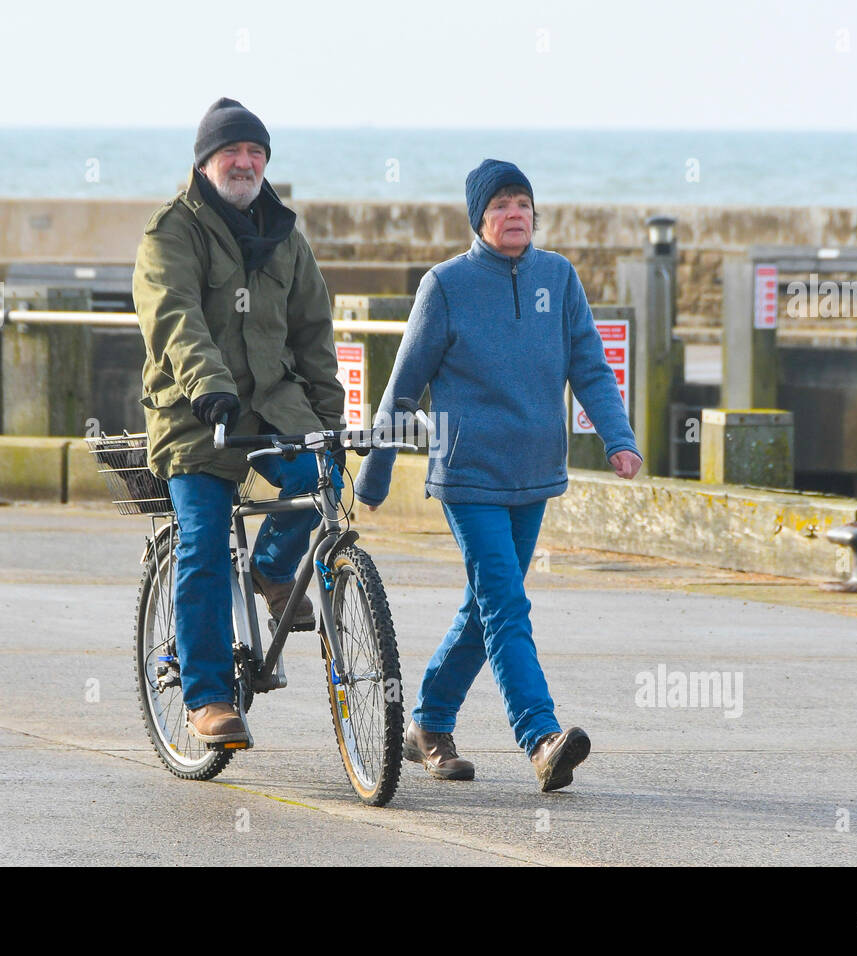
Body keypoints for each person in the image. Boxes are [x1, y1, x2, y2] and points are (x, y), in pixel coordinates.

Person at [354, 159, 643, 792]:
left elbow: (590, 367)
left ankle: (428, 722)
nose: (515, 214)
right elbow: (403, 388)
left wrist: (619, 439)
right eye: (501, 205)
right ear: (479, 219)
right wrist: (373, 477)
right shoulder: (446, 286)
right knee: (507, 603)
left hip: (534, 474)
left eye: (523, 203)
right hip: (468, 476)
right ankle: (540, 737)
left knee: (487, 610)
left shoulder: (558, 278)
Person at [133, 97, 346, 745]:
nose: (246, 162)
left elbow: (314, 332)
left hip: (275, 408)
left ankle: (275, 570)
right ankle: (206, 697)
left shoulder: (284, 235)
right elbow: (174, 316)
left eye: (256, 152)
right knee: (202, 543)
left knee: (323, 474)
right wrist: (210, 388)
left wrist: (330, 419)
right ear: (205, 162)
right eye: (233, 152)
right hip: (195, 415)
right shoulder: (173, 230)